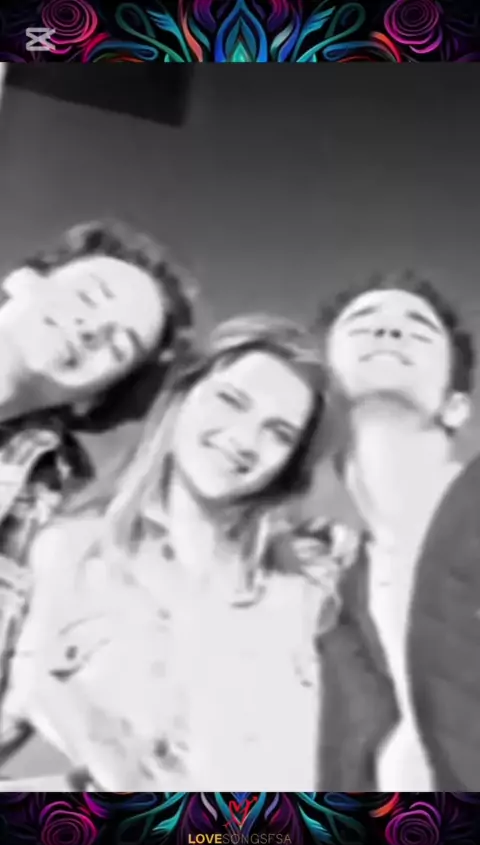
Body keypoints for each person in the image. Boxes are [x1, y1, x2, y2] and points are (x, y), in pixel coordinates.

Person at [8, 314, 359, 791]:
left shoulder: (308, 585)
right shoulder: (72, 549)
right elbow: (32, 687)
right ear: (182, 397)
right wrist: (117, 767)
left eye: (278, 432)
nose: (243, 440)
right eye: (230, 400)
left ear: (291, 464)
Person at [0, 218, 196, 768]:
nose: (91, 329)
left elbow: (24, 686)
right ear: (22, 281)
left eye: (119, 343)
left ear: (95, 397)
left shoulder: (63, 510)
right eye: (89, 295)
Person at [315, 270, 478, 790]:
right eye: (362, 324)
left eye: (418, 329)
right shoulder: (320, 590)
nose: (388, 331)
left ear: (456, 406)